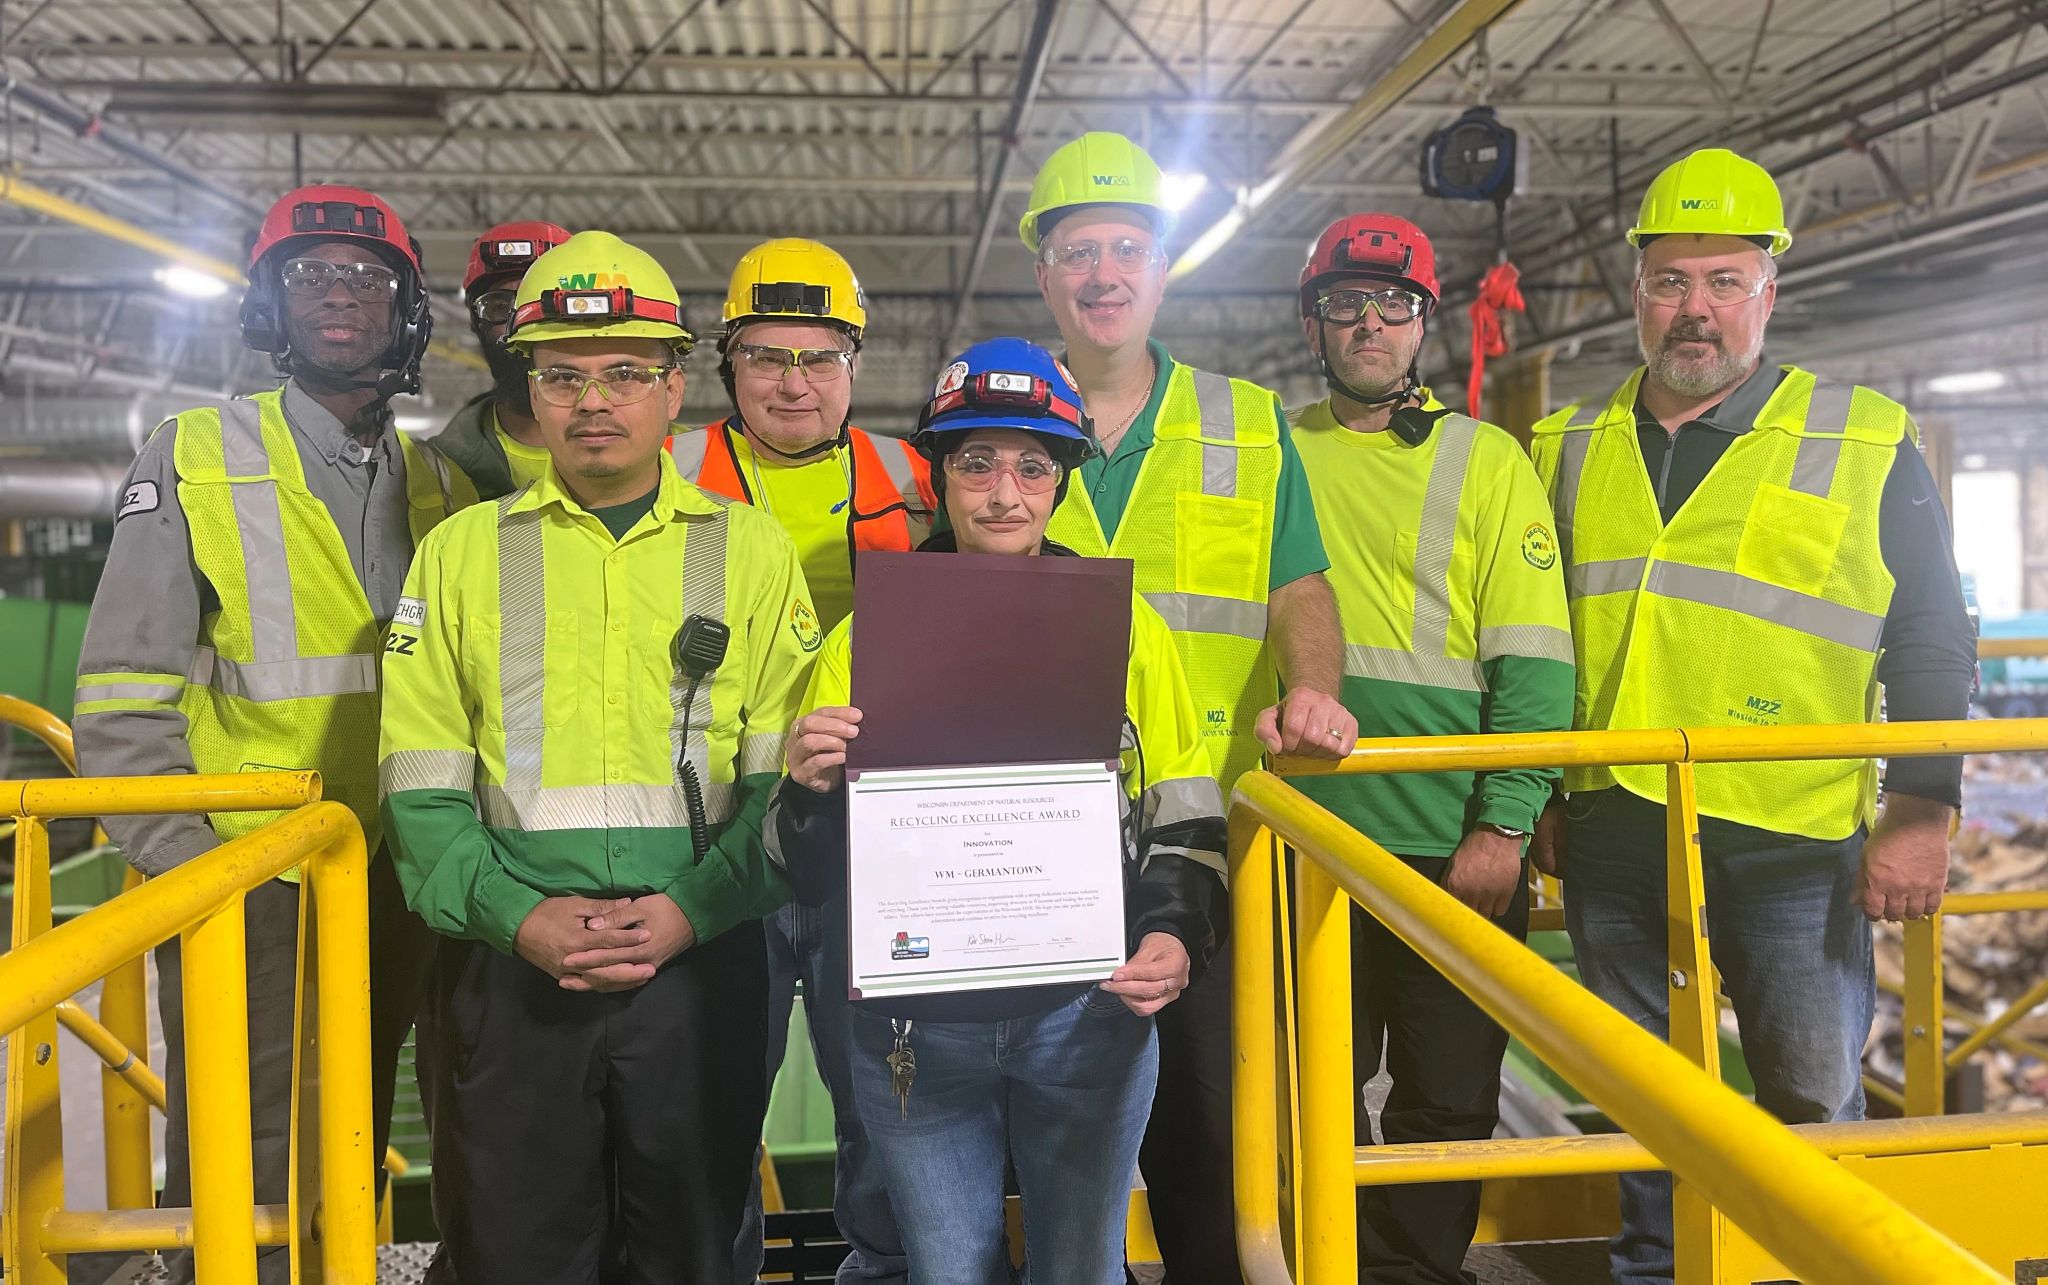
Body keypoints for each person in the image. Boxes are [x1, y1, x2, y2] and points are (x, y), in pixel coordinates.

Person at [1526, 148, 1977, 1284]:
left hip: (1792, 829)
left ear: (1767, 289)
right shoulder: (1564, 447)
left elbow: (1928, 631)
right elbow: (1531, 639)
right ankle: (1653, 1269)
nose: (1694, 309)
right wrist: (1537, 792)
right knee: (1639, 1090)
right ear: (1633, 291)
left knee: (1806, 1090)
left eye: (1723, 280)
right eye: (1670, 281)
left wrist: (1922, 805)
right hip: (1617, 822)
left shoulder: (1863, 437)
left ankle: (1805, 1268)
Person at [379, 230, 818, 1283]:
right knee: (515, 1252)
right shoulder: (459, 556)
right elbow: (420, 789)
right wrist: (520, 917)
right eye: (562, 374)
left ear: (674, 390)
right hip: (510, 970)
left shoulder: (748, 551)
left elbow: (787, 786)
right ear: (528, 385)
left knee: (691, 1252)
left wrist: (690, 911)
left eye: (626, 372)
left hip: (699, 967)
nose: (592, 400)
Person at [73, 184, 474, 1284]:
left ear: (405, 309)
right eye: (309, 276)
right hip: (250, 875)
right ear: (268, 307)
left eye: (364, 276)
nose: (338, 294)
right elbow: (119, 691)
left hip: (399, 867)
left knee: (361, 1133)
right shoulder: (194, 452)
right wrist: (194, 868)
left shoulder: (440, 484)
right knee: (245, 1150)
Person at [768, 336, 1229, 1285]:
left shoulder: (1127, 629)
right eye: (976, 462)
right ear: (940, 478)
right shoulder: (865, 640)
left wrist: (1177, 929)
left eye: (1031, 465)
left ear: (1060, 482)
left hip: (1087, 1014)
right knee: (950, 1272)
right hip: (913, 1035)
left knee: (1081, 1269)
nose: (1004, 494)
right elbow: (799, 866)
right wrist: (807, 791)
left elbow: (1182, 805)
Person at [1020, 129, 1355, 1282]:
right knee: (1049, 1165)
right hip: (1027, 851)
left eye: (1125, 248)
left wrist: (1313, 685)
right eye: (1078, 252)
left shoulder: (1246, 423)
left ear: (1161, 271)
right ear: (1045, 277)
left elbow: (1296, 585)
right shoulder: (997, 431)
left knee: (1214, 1156)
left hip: (1205, 846)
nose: (1103, 273)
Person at [1286, 213, 1574, 1283]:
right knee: (1307, 1087)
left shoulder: (1485, 462)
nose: (1368, 322)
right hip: (1303, 841)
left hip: (1452, 846)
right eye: (1342, 304)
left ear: (1424, 324)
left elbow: (1535, 662)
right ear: (1312, 324)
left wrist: (1504, 820)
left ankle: (1411, 1272)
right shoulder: (1270, 452)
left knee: (1446, 1095)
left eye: (1392, 305)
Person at [670, 237, 919, 1284]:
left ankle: (886, 1266)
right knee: (712, 1100)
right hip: (722, 837)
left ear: (854, 364)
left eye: (818, 358)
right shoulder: (670, 469)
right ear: (729, 364)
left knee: (888, 1102)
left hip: (874, 843)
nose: (792, 382)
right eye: (766, 357)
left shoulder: (913, 478)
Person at [414, 219, 574, 498]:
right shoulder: (434, 474)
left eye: (542, 303)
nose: (521, 326)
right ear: (476, 323)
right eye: (500, 306)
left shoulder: (669, 452)